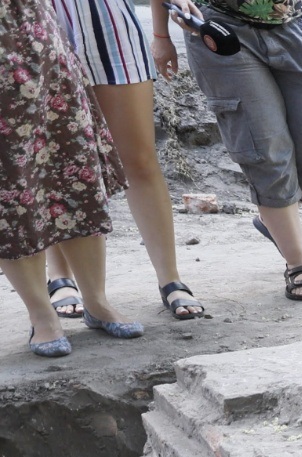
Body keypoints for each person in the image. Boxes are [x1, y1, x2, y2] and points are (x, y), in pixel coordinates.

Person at [169, 0, 302, 301]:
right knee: (266, 146)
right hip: (222, 28)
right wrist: (160, 35)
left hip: (292, 24)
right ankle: (298, 263)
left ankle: (274, 219)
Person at [41, 0, 204, 321]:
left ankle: (170, 278)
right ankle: (59, 274)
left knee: (140, 159)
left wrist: (161, 32)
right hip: (39, 24)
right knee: (53, 161)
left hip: (110, 25)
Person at [1, 0, 144, 356]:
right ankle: (42, 315)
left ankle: (97, 302)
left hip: (41, 44)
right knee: (14, 191)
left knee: (75, 175)